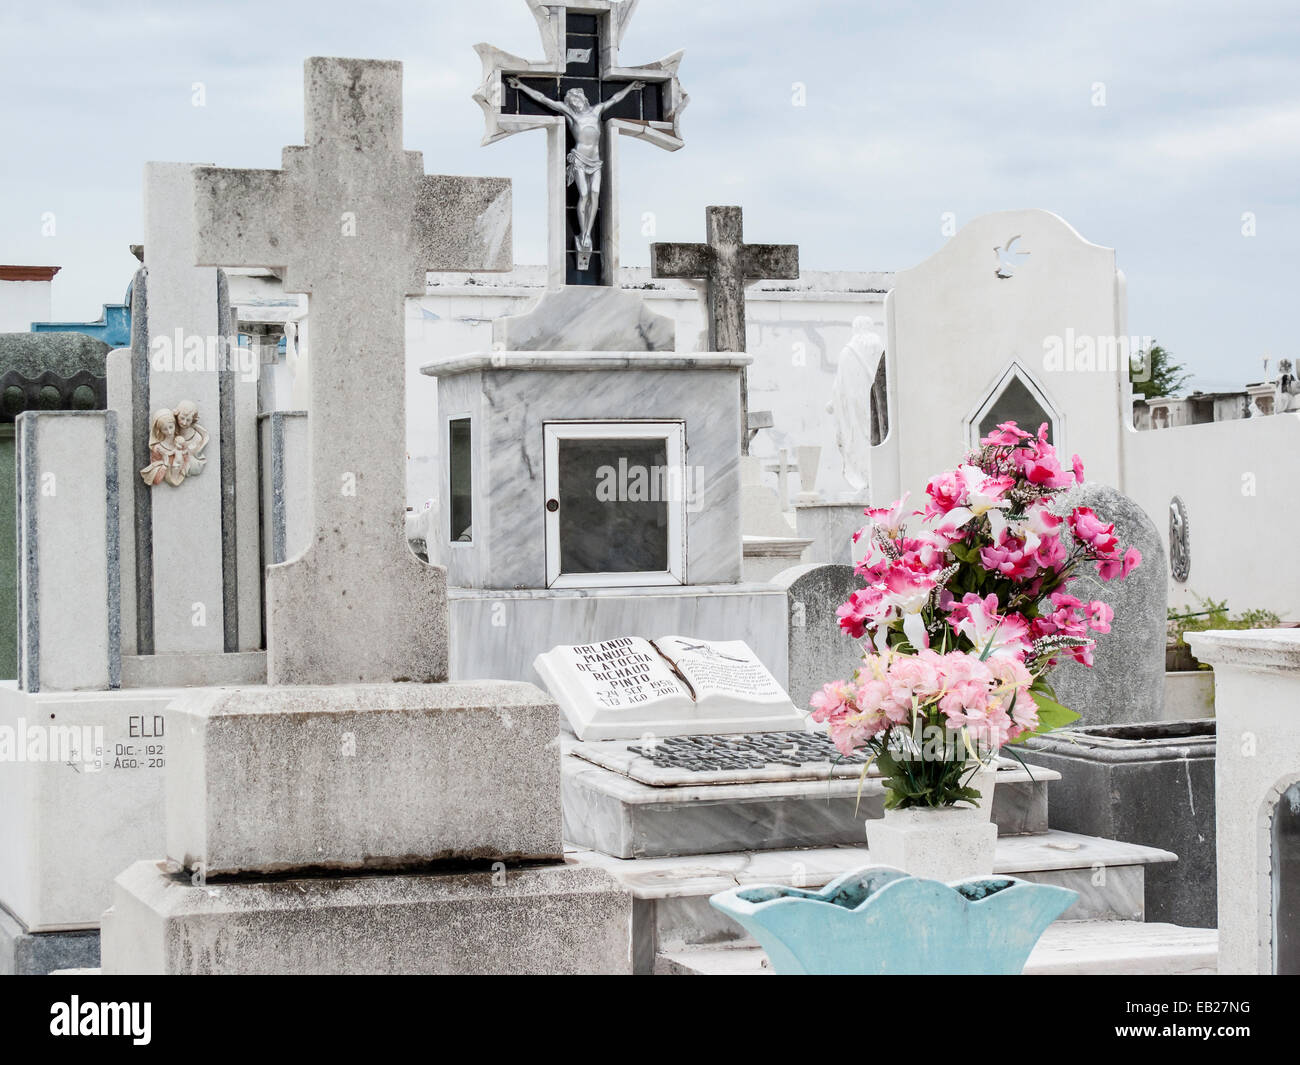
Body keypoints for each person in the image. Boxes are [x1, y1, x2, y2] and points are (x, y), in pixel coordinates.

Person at [508, 77, 646, 265]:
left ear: (583, 99)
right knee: (584, 194)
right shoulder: (571, 115)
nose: (575, 103)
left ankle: (587, 233)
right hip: (579, 159)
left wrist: (632, 86)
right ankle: (583, 234)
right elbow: (543, 99)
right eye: (571, 102)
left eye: (577, 100)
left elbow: (614, 99)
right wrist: (521, 86)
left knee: (595, 194)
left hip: (596, 161)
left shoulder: (596, 111)